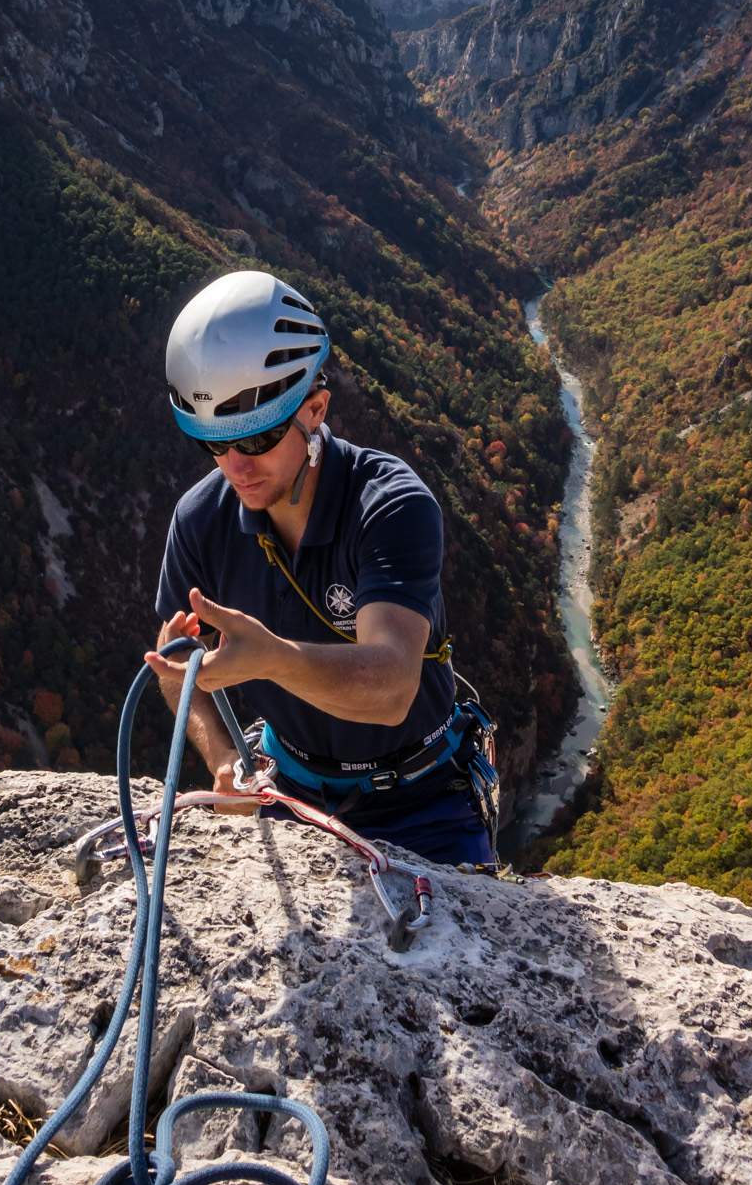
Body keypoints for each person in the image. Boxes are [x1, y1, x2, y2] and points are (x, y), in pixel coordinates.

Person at [145, 269, 498, 868]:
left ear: (316, 409)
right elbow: (174, 665)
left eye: (255, 440)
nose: (234, 466)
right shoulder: (201, 519)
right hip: (291, 789)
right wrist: (225, 758)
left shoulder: (388, 505)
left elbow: (390, 687)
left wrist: (275, 660)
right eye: (213, 444)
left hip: (425, 802)